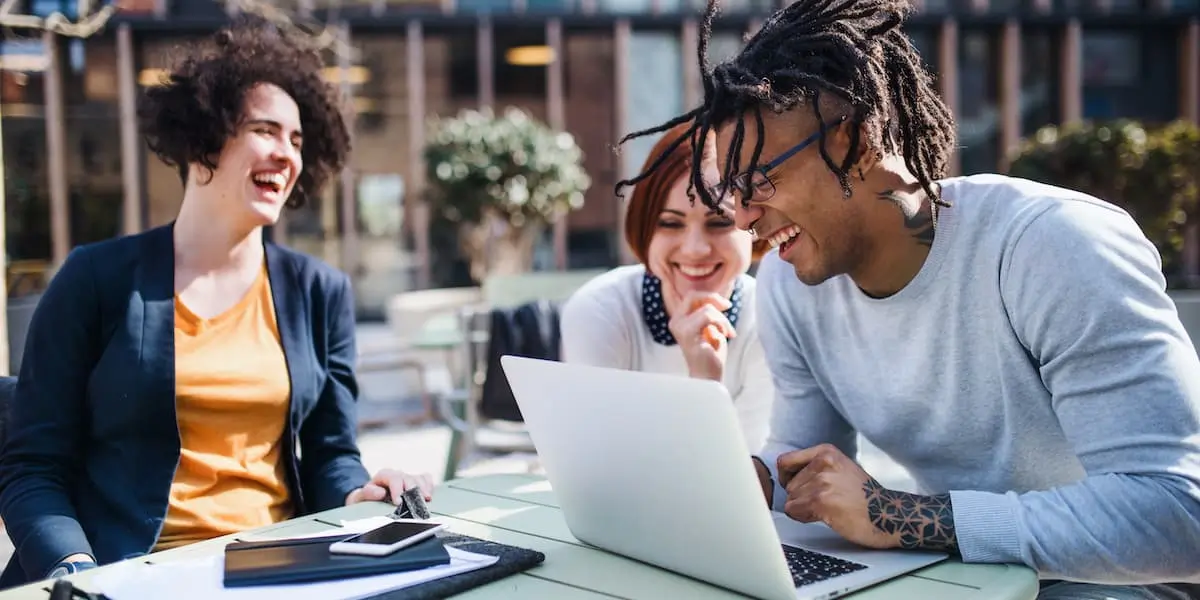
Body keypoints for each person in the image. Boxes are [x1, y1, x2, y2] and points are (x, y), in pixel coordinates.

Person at [618, 0, 1200, 598]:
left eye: (758, 182)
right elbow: (802, 458)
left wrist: (899, 516)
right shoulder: (793, 284)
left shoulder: (1053, 246)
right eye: (733, 190)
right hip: (963, 573)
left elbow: (1179, 513)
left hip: (1113, 581)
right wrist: (748, 480)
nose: (742, 218)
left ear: (857, 141)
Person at [0, 19, 433, 588]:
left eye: (297, 141)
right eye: (265, 130)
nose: (286, 154)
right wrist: (76, 572)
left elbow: (331, 455)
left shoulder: (319, 291)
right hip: (128, 574)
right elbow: (32, 467)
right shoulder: (95, 280)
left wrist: (360, 494)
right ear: (205, 138)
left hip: (279, 569)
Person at [561, 123, 774, 452]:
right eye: (670, 223)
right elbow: (597, 459)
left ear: (754, 226)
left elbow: (748, 472)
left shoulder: (771, 319)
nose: (695, 249)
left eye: (719, 222)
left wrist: (705, 383)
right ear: (645, 228)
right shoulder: (600, 311)